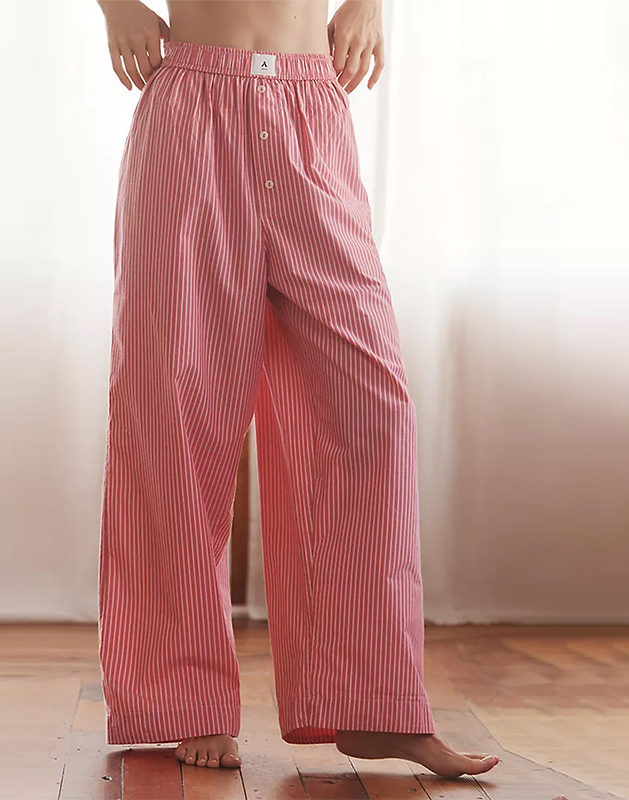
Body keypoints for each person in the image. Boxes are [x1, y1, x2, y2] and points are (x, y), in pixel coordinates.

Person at [95, 0, 502, 779]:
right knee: (174, 409)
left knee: (372, 410)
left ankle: (372, 702)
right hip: (190, 109)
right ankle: (178, 698)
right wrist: (115, 8)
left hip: (311, 106)